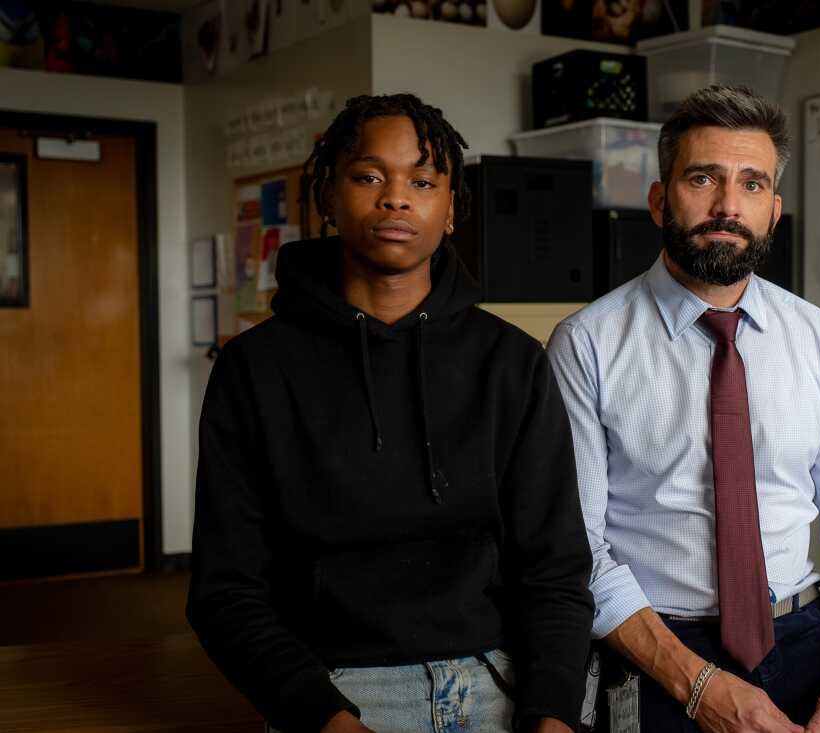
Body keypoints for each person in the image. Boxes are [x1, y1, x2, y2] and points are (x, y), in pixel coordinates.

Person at [187, 93, 594, 733]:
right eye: (369, 176)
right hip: (333, 691)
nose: (396, 199)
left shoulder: (511, 363)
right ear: (328, 195)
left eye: (423, 182)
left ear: (451, 209)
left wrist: (552, 712)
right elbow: (225, 589)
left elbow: (555, 569)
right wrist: (322, 716)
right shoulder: (255, 369)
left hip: (498, 681)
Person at [547, 85, 820, 733]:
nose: (728, 205)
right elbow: (575, 550)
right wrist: (697, 685)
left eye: (752, 184)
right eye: (703, 178)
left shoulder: (819, 339)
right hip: (659, 641)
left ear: (773, 211)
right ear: (659, 199)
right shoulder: (587, 343)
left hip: (805, 628)